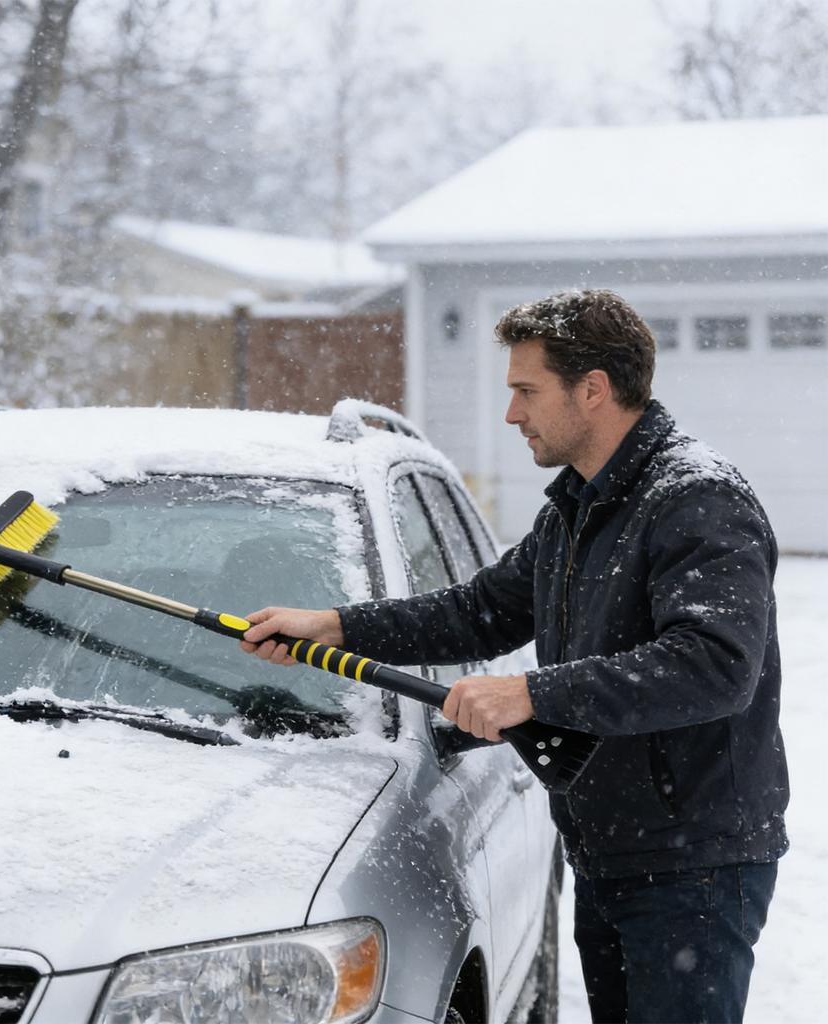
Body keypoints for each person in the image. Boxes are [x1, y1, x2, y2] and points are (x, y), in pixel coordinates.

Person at [240, 289, 789, 1024]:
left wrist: (533, 694)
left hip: (693, 866)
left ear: (592, 389)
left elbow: (715, 665)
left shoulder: (696, 499)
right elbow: (479, 611)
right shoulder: (577, 508)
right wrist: (335, 625)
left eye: (526, 391)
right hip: (613, 851)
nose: (512, 414)